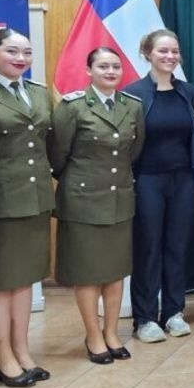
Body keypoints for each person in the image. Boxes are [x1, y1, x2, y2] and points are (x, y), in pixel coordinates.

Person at [0, 28, 54, 387]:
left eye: (26, 52)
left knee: (24, 280)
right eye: (11, 51)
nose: (20, 58)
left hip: (34, 199)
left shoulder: (38, 93)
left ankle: (21, 350)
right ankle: (2, 355)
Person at [51, 47, 145, 366]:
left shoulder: (132, 106)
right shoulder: (73, 107)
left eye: (116, 66)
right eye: (103, 66)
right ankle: (93, 335)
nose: (110, 71)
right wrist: (84, 181)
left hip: (120, 198)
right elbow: (57, 156)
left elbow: (134, 150)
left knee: (116, 271)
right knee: (89, 272)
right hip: (83, 200)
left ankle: (112, 332)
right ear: (88, 70)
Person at [123, 30, 194, 343]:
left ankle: (173, 312)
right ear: (147, 53)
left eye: (174, 51)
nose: (169, 57)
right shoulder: (134, 93)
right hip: (147, 180)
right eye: (162, 51)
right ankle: (144, 318)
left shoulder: (189, 92)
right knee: (148, 248)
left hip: (183, 180)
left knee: (177, 246)